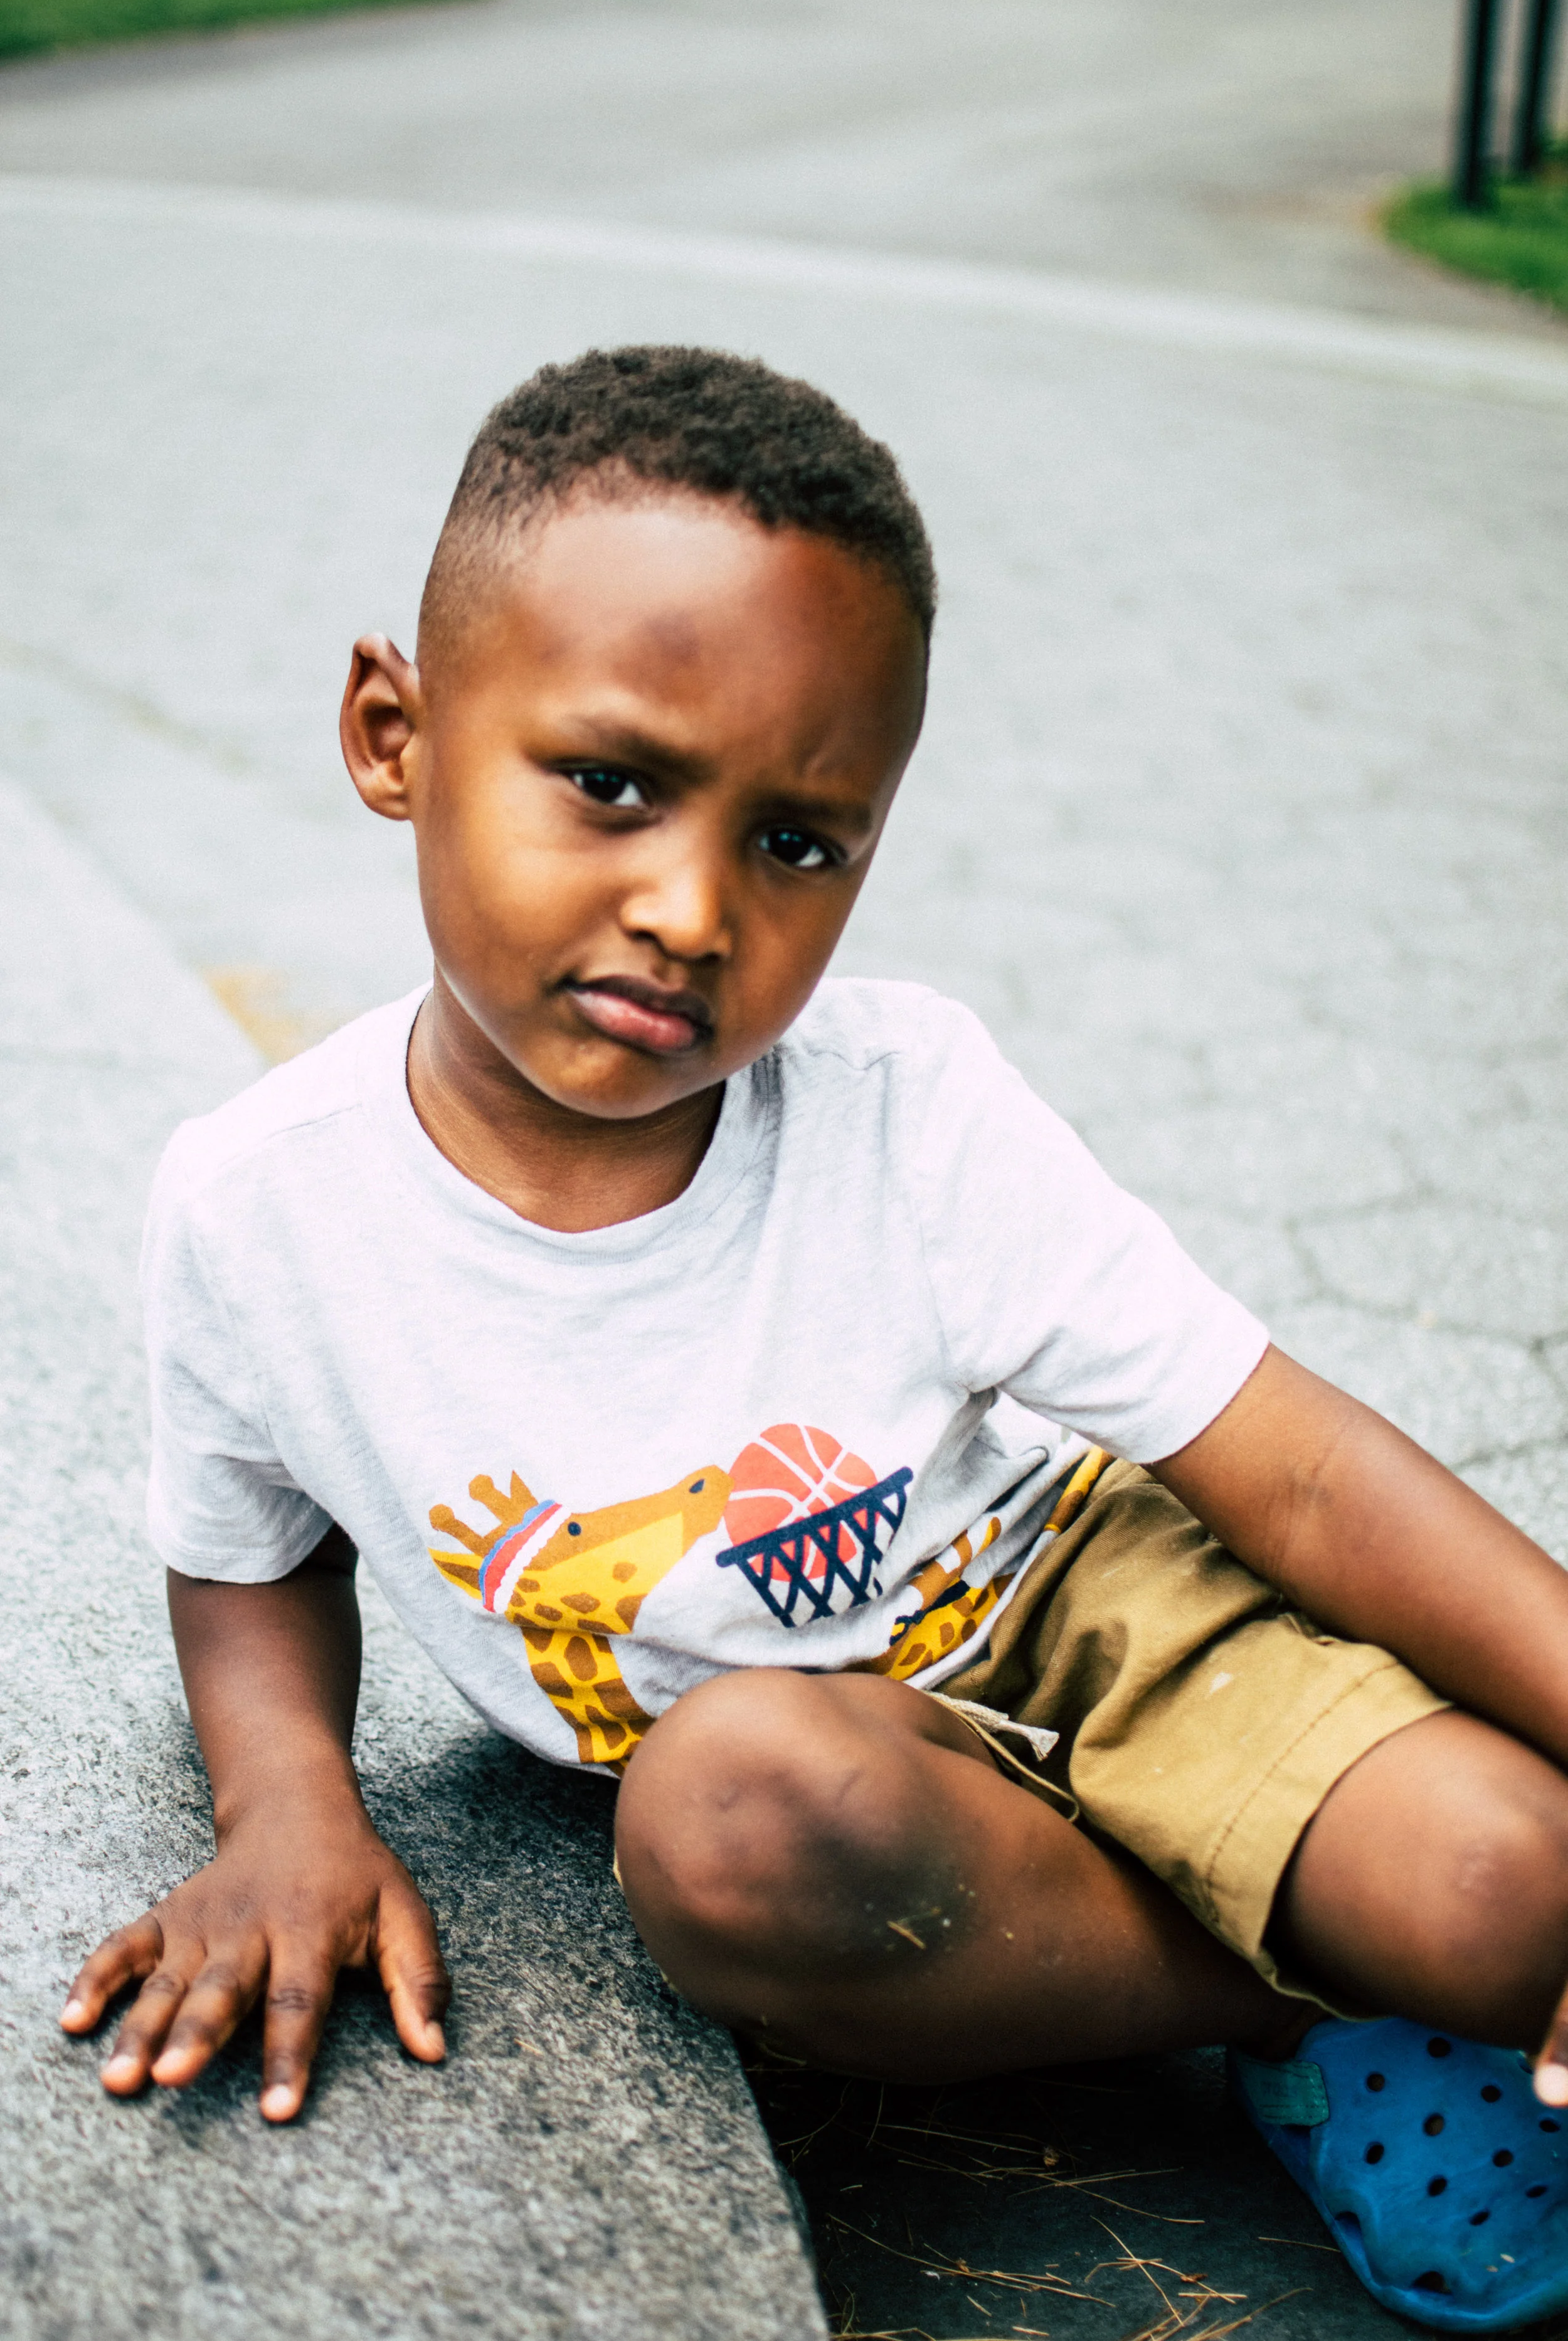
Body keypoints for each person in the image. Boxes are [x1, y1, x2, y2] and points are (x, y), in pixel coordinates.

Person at [61, 347, 1568, 2330]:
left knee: (1500, 1884)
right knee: (733, 1827)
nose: (692, 907)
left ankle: (1348, 1962)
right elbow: (247, 1554)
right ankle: (1306, 1979)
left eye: (800, 842)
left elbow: (1284, 1459)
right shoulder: (259, 1205)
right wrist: (289, 1805)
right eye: (609, 784)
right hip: (826, 1785)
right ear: (391, 731)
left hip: (1074, 1615)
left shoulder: (903, 1104)